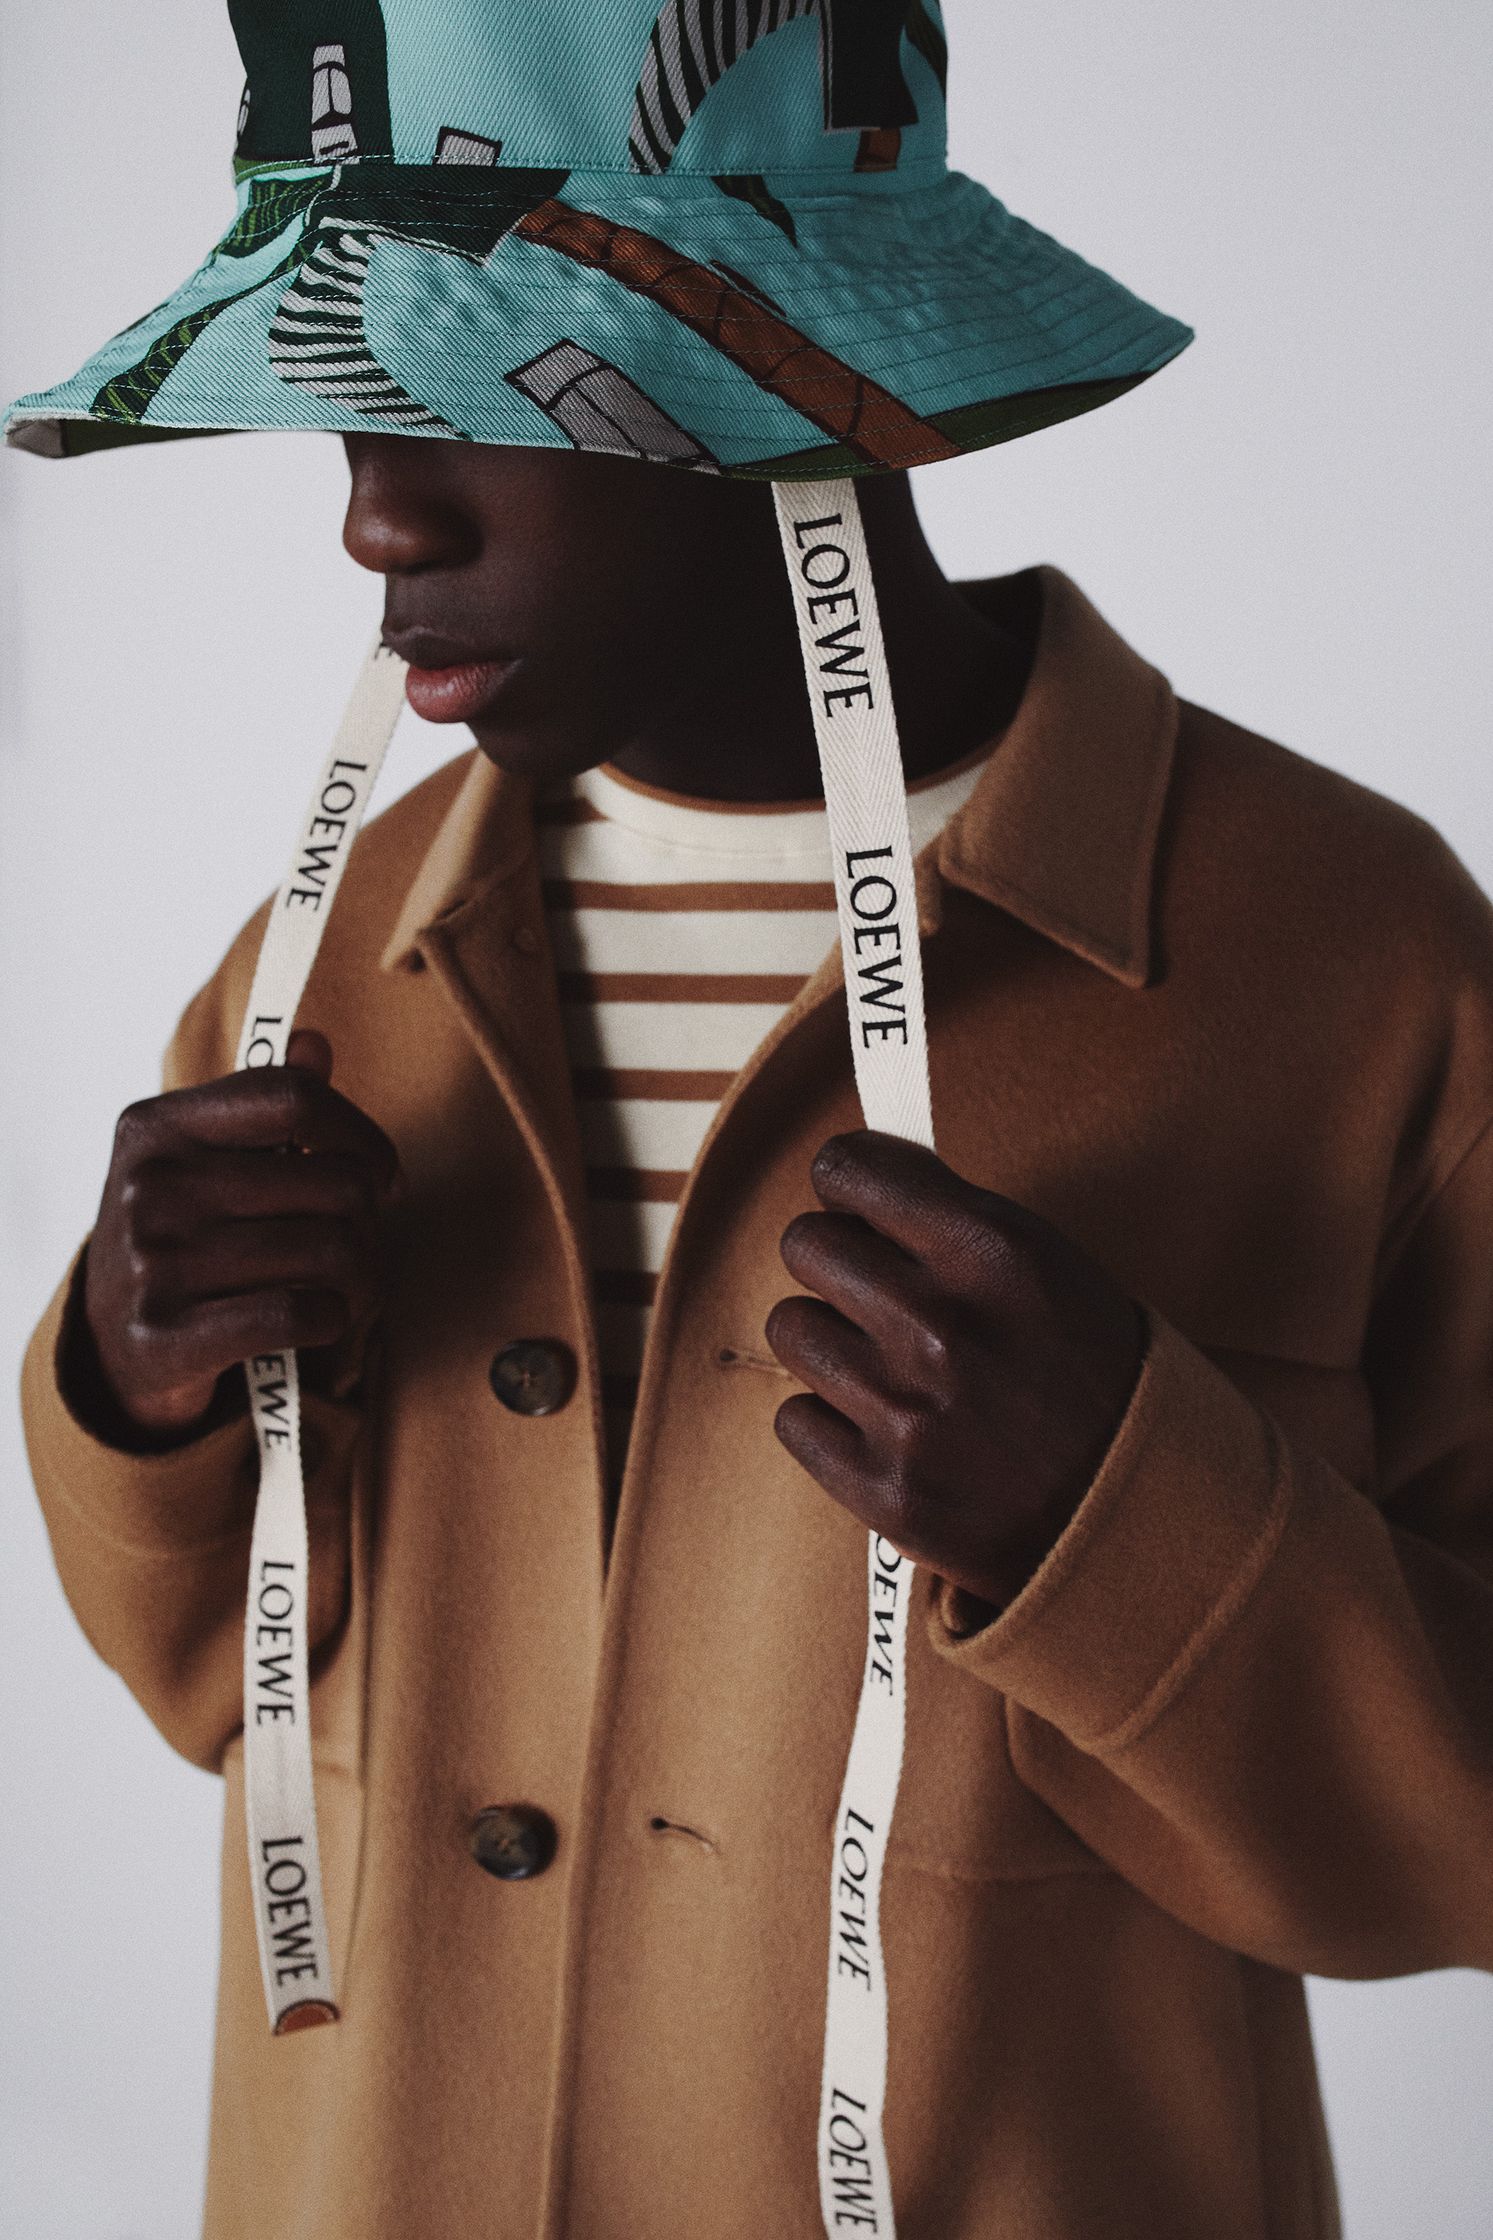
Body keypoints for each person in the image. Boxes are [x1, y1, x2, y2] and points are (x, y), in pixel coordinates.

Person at [12, 6, 1493, 2237]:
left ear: (798, 377)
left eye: (477, 386)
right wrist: (128, 1393)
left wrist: (1130, 1521)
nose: (375, 511)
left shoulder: (1354, 962)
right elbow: (213, 1680)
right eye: (341, 390)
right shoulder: (318, 979)